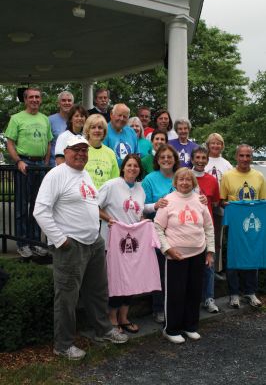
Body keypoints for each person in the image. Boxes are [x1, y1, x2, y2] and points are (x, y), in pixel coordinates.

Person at [33, 136, 128, 361]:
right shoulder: (56, 175)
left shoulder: (84, 174)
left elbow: (90, 205)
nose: (81, 154)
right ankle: (63, 345)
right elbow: (40, 211)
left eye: (84, 150)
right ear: (65, 152)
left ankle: (103, 330)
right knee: (67, 297)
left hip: (92, 241)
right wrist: (60, 240)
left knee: (97, 291)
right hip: (70, 244)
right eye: (76, 150)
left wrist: (97, 233)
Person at [154, 168, 215, 343]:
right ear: (175, 182)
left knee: (194, 291)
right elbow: (157, 227)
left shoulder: (200, 201)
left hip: (198, 252)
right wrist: (167, 249)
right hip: (175, 255)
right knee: (175, 293)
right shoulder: (168, 201)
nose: (185, 182)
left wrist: (209, 251)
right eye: (181, 179)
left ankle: (190, 326)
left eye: (188, 179)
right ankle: (171, 329)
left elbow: (209, 227)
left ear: (193, 182)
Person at [98, 154, 147, 334]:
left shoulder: (140, 189)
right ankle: (112, 318)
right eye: (129, 165)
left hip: (132, 245)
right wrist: (110, 219)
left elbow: (138, 213)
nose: (132, 169)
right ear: (123, 167)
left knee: (130, 281)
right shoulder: (111, 186)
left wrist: (143, 223)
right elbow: (95, 207)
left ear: (139, 169)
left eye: (136, 166)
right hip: (112, 241)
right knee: (116, 280)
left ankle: (124, 317)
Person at [5, 88, 52, 258]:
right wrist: (18, 161)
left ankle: (36, 242)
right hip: (24, 164)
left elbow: (48, 143)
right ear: (25, 100)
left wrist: (46, 164)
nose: (34, 100)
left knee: (38, 206)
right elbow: (10, 142)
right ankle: (22, 243)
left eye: (37, 97)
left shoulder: (45, 119)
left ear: (40, 100)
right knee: (21, 207)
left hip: (40, 165)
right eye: (31, 97)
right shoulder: (16, 118)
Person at [220, 144, 266, 308]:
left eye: (248, 156)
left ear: (251, 157)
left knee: (252, 254)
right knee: (234, 255)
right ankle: (234, 294)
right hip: (235, 223)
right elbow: (221, 200)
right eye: (242, 156)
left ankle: (250, 292)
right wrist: (234, 206)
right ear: (236, 156)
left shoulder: (259, 176)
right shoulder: (227, 176)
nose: (245, 159)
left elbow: (262, 202)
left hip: (253, 227)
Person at [142, 144, 179, 323]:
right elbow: (142, 207)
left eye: (169, 157)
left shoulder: (181, 177)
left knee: (176, 270)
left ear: (175, 160)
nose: (166, 159)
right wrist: (156, 205)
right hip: (158, 231)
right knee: (159, 271)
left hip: (180, 232)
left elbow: (193, 195)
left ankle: (176, 306)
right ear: (157, 160)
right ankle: (158, 308)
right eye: (162, 157)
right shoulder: (149, 179)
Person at [191, 146, 220, 313]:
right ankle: (193, 299)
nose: (201, 161)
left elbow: (215, 203)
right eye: (198, 158)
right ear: (192, 159)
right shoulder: (186, 176)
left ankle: (209, 298)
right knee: (192, 266)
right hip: (188, 227)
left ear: (207, 160)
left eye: (204, 158)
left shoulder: (212, 180)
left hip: (206, 228)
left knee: (209, 264)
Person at [205, 133, 233, 277]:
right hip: (205, 206)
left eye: (218, 143)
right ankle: (204, 267)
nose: (216, 145)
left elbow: (231, 185)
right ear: (208, 145)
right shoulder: (203, 160)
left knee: (217, 238)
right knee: (204, 237)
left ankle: (216, 269)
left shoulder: (226, 164)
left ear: (222, 146)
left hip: (220, 206)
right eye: (213, 143)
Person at [83, 113, 119, 189]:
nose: (97, 130)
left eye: (100, 128)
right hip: (85, 196)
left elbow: (115, 180)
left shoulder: (110, 153)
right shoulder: (82, 150)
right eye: (93, 127)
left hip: (105, 197)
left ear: (104, 132)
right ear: (88, 130)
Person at [49, 91, 74, 166]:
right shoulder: (50, 120)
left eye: (69, 100)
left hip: (73, 164)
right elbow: (47, 144)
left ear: (73, 104)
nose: (67, 103)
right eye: (63, 100)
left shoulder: (77, 120)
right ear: (58, 103)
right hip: (54, 165)